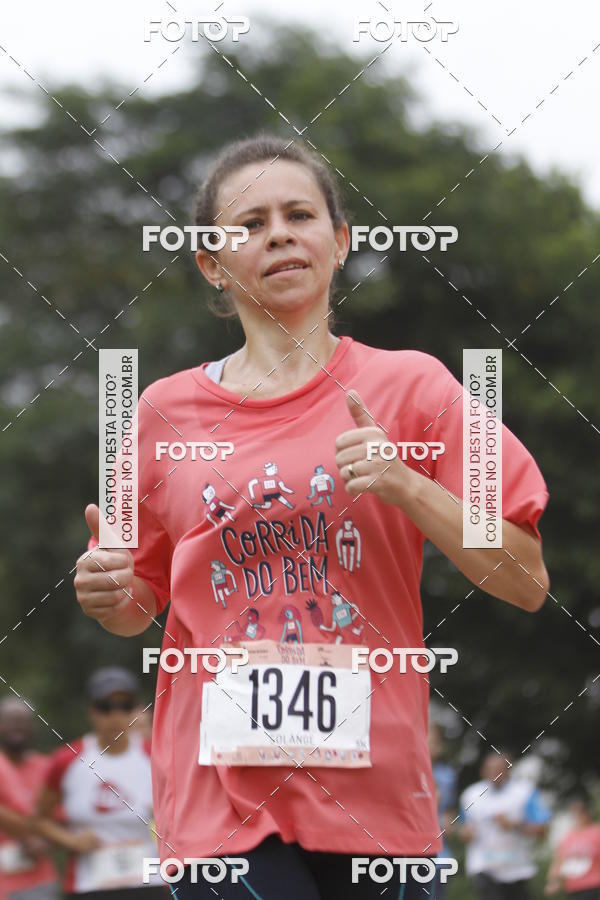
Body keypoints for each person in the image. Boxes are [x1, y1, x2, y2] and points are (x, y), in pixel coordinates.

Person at [73, 133, 551, 898]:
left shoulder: (416, 387)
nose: (279, 233)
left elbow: (526, 578)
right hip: (216, 800)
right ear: (210, 262)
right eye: (250, 223)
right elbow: (136, 607)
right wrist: (107, 590)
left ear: (341, 242)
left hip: (378, 797)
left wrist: (405, 484)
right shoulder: (161, 411)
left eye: (299, 214)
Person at [34, 668, 166, 899]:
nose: (115, 716)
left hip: (150, 883)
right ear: (91, 711)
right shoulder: (67, 760)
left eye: (124, 707)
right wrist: (70, 841)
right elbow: (39, 819)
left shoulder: (156, 756)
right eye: (105, 707)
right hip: (89, 885)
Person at [459, 750, 551, 899]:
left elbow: (542, 831)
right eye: (491, 769)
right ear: (483, 771)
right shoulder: (471, 795)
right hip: (484, 866)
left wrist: (514, 826)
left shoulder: (525, 793)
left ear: (508, 770)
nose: (495, 774)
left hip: (517, 867)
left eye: (499, 770)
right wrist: (466, 833)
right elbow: (463, 828)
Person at [0, 697, 59, 900]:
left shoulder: (47, 767)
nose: (16, 727)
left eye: (22, 721)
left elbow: (62, 820)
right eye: (10, 721)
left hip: (39, 882)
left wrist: (45, 842)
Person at [545, 793, 600, 898]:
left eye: (580, 812)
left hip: (592, 884)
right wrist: (553, 881)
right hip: (573, 887)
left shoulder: (596, 833)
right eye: (574, 812)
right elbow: (559, 861)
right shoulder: (568, 837)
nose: (577, 816)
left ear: (587, 813)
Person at [428, 721, 458, 900]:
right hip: (407, 856)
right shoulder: (405, 772)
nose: (431, 746)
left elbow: (450, 810)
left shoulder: (447, 775)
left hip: (440, 857)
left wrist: (450, 823)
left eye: (434, 742)